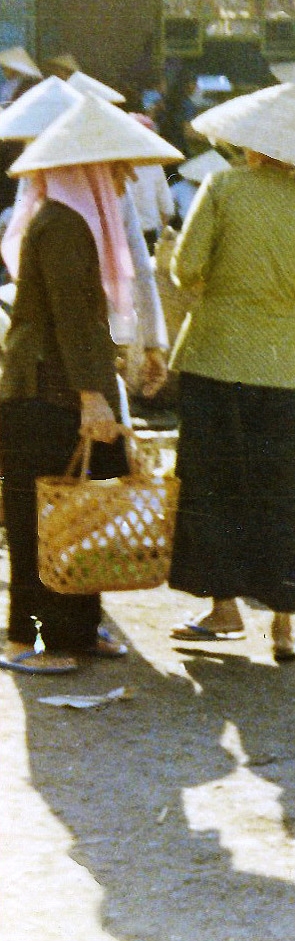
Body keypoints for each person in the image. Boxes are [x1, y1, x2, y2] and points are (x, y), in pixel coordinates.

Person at [0, 97, 180, 674]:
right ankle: (22, 638)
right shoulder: (63, 225)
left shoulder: (69, 218)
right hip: (43, 390)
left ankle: (74, 629)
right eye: (118, 164)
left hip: (59, 385)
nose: (127, 175)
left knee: (76, 512)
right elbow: (74, 317)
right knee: (40, 516)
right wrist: (93, 397)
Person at [167, 84, 295, 662]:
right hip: (289, 367)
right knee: (284, 495)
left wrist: (219, 286)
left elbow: (184, 268)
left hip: (214, 357)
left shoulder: (221, 187)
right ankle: (285, 625)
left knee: (214, 488)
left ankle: (223, 610)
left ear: (247, 146)